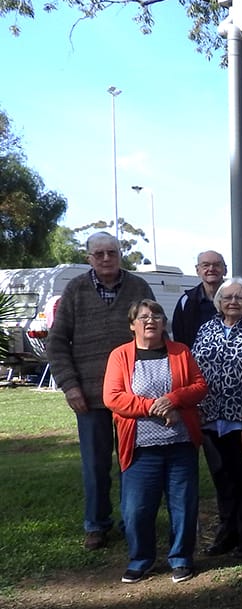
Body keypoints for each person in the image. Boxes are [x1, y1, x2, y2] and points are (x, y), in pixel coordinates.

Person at [47, 231, 156, 550]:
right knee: (95, 465)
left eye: (112, 253)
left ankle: (131, 521)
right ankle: (96, 525)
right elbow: (56, 343)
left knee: (131, 462)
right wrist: (70, 386)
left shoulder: (139, 287)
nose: (106, 259)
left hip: (132, 395)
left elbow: (155, 333)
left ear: (120, 255)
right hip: (89, 397)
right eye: (99, 254)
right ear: (89, 258)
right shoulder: (76, 290)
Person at [102, 299, 207, 584]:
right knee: (136, 509)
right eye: (143, 317)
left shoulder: (181, 352)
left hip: (180, 444)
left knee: (183, 505)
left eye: (156, 315)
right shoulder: (120, 356)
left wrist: (173, 400)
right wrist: (153, 407)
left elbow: (199, 386)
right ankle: (140, 559)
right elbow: (113, 398)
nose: (150, 320)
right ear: (132, 324)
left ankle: (181, 558)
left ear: (164, 323)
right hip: (139, 449)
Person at [191, 277, 242, 559]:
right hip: (210, 417)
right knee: (222, 480)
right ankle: (227, 532)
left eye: (239, 297)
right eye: (227, 297)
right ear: (218, 301)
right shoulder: (207, 328)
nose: (232, 301)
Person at [172, 250, 228, 348]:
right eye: (205, 265)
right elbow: (179, 340)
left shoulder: (239, 299)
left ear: (225, 270)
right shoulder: (186, 301)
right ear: (198, 270)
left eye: (217, 265)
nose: (211, 269)